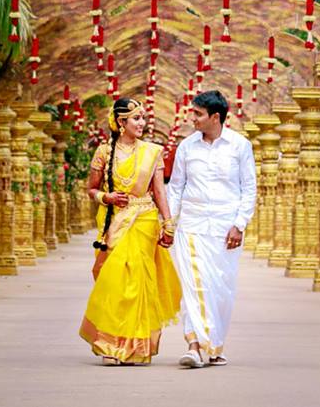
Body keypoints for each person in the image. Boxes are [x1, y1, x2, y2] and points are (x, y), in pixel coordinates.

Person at [79, 97, 182, 366]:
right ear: (121, 122)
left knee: (138, 282)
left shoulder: (152, 151)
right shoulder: (103, 152)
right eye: (136, 118)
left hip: (145, 219)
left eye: (143, 118)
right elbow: (91, 189)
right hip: (115, 221)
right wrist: (107, 198)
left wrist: (168, 223)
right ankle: (110, 345)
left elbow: (159, 190)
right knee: (114, 281)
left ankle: (137, 347)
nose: (142, 123)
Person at [167, 89, 257, 368]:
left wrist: (239, 225)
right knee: (194, 286)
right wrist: (169, 222)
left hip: (224, 228)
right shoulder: (187, 146)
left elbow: (249, 188)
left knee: (221, 290)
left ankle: (214, 345)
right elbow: (176, 187)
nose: (192, 118)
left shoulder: (239, 146)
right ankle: (194, 346)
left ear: (215, 117)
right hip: (192, 226)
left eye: (198, 114)